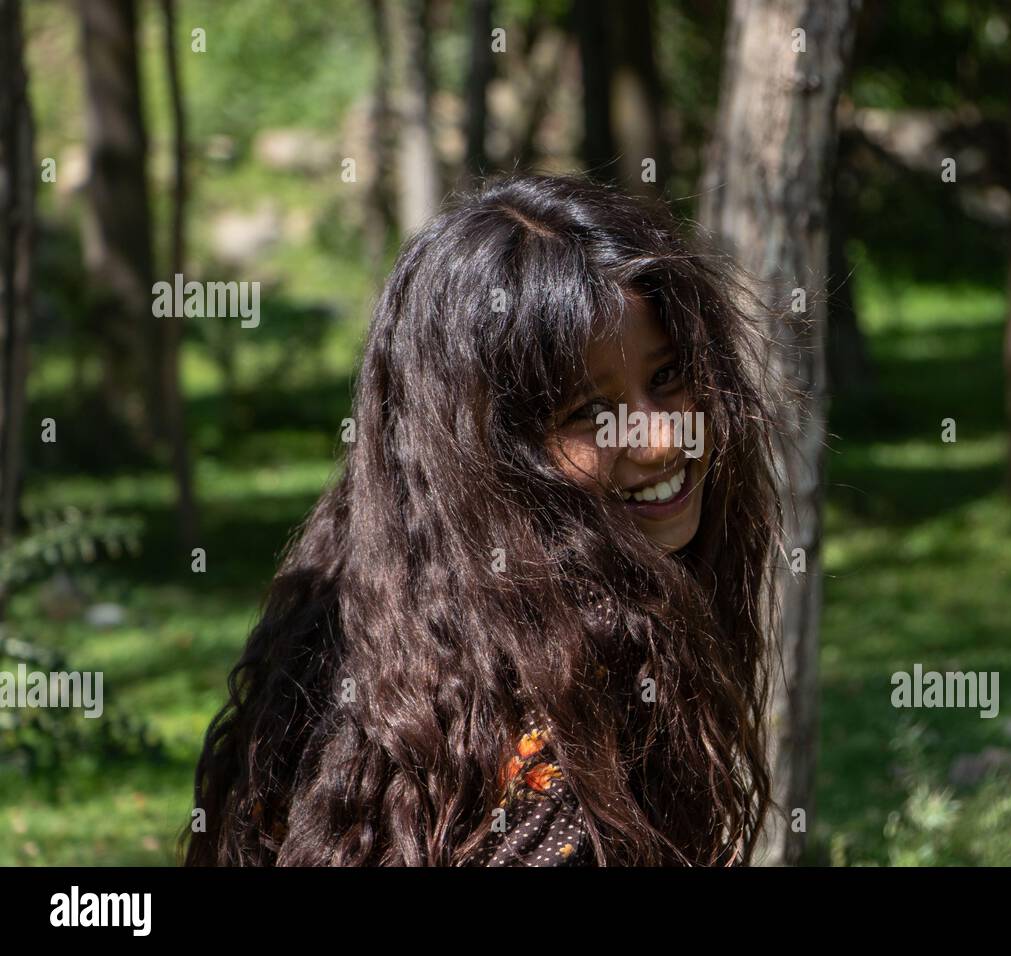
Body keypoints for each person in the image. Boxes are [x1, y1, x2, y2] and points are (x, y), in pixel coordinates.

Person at [183, 173, 784, 866]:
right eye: (589, 412)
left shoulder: (386, 620)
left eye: (671, 375)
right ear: (486, 455)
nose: (659, 440)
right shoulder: (560, 717)